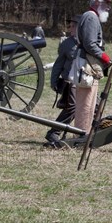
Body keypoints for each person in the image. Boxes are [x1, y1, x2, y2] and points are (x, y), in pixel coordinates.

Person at [73, 0, 112, 134]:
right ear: (97, 2)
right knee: (86, 103)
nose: (108, 7)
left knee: (89, 102)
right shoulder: (91, 17)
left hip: (89, 64)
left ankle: (84, 132)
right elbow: (90, 44)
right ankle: (81, 134)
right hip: (87, 65)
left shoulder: (90, 16)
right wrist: (105, 57)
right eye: (106, 4)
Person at [44, 15, 80, 148]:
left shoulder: (88, 42)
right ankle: (54, 132)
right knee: (72, 107)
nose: (70, 29)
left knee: (95, 106)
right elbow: (59, 64)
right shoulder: (67, 43)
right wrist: (54, 81)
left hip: (85, 81)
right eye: (69, 27)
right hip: (70, 81)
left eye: (72, 27)